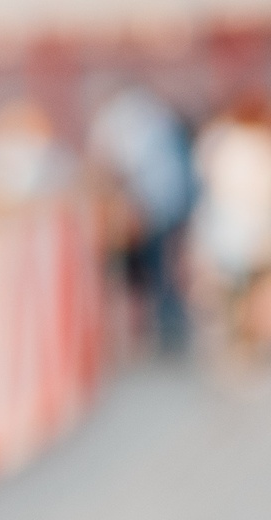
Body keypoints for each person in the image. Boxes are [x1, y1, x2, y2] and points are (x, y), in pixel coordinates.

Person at [87, 83, 195, 354]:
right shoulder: (155, 116)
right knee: (159, 270)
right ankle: (165, 330)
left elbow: (118, 166)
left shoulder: (119, 120)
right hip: (165, 203)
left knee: (142, 272)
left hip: (142, 206)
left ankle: (154, 333)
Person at [192, 92, 271, 356]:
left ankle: (240, 340)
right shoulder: (251, 146)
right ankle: (245, 340)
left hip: (231, 229)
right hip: (247, 229)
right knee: (245, 289)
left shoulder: (224, 143)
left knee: (236, 290)